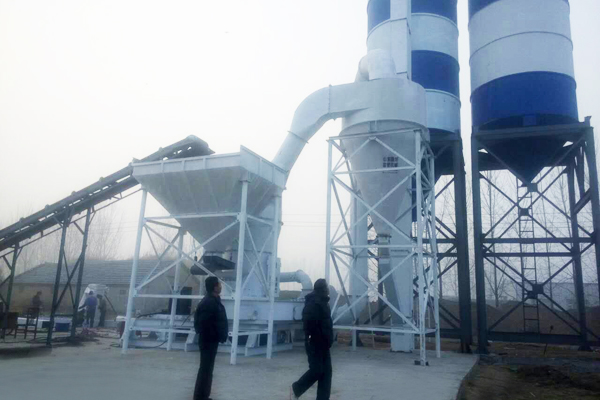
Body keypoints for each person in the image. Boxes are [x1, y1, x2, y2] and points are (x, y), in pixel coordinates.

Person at [290, 279, 334, 400]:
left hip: (324, 344)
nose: (328, 289)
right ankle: (296, 388)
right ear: (323, 288)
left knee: (326, 373)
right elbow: (309, 324)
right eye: (327, 287)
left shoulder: (323, 302)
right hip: (315, 343)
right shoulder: (313, 303)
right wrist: (317, 337)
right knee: (316, 370)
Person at [193, 276, 228, 400]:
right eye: (219, 284)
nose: (221, 286)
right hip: (208, 341)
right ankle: (199, 397)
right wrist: (215, 335)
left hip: (211, 340)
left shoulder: (214, 300)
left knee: (208, 369)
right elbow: (203, 323)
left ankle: (204, 395)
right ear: (214, 287)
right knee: (205, 369)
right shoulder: (209, 302)